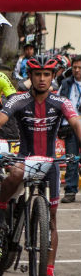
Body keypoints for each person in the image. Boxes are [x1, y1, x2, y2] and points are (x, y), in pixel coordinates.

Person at [0, 54, 81, 276]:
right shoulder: (19, 100)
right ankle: (1, 209)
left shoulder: (61, 101)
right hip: (24, 159)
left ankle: (48, 272)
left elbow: (76, 122)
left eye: (47, 74)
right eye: (37, 74)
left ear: (53, 76)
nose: (42, 79)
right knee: (15, 173)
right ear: (30, 76)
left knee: (52, 219)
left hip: (51, 163)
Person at [57, 55, 81, 203]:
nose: (77, 70)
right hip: (70, 126)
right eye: (74, 67)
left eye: (79, 68)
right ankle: (70, 191)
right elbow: (58, 102)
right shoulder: (66, 83)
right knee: (71, 159)